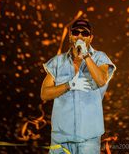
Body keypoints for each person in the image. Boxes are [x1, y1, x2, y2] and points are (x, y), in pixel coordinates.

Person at [41, 19, 116, 154]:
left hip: (88, 140)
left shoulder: (100, 58)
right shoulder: (58, 61)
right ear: (70, 35)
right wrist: (69, 85)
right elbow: (44, 94)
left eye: (84, 33)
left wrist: (86, 55)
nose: (80, 36)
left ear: (90, 38)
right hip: (60, 140)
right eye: (76, 32)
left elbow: (101, 80)